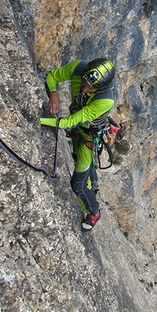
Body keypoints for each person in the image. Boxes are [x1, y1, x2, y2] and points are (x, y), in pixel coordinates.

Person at [40, 58, 116, 231]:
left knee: (78, 185)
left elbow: (70, 122)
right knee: (76, 158)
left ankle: (94, 211)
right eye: (84, 82)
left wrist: (39, 121)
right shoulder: (79, 68)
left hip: (88, 140)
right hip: (78, 132)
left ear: (101, 88)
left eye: (90, 87)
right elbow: (52, 76)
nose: (84, 87)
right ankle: (94, 183)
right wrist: (54, 92)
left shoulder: (104, 100)